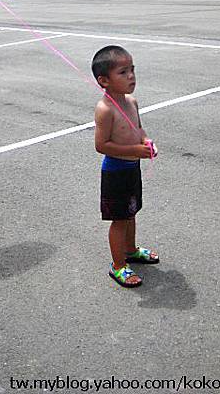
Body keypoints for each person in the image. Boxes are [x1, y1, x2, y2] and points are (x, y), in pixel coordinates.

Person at [92, 45, 159, 288]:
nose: (131, 76)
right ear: (104, 80)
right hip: (115, 172)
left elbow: (138, 129)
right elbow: (102, 145)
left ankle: (130, 250)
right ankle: (118, 265)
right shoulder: (105, 109)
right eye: (123, 72)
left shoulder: (132, 101)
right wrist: (135, 151)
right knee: (119, 219)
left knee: (131, 211)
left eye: (132, 70)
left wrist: (145, 142)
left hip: (132, 168)